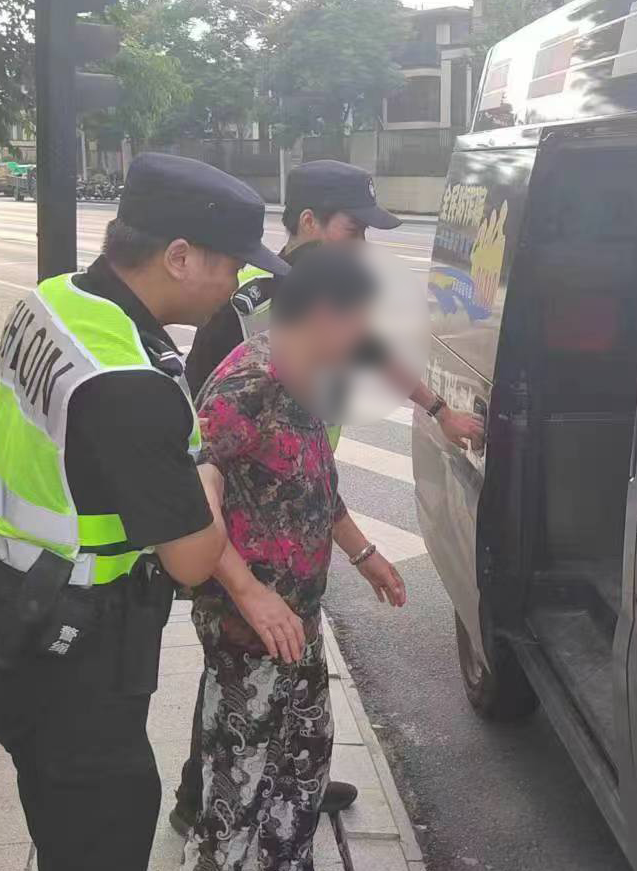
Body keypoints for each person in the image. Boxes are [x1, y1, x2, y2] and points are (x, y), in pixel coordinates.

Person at [0, 153, 289, 871]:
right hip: (74, 651)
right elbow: (192, 559)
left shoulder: (57, 301)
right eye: (230, 263)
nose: (236, 284)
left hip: (4, 611)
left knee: (71, 837)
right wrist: (204, 473)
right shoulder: (130, 382)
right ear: (178, 256)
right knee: (102, 841)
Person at [131, 246, 406, 871]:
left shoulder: (306, 378)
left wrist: (366, 554)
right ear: (323, 315)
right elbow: (187, 500)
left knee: (308, 748)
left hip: (296, 618)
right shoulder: (242, 389)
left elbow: (317, 486)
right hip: (249, 628)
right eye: (359, 322)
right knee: (235, 790)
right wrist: (250, 594)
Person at [171, 159, 481, 835]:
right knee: (238, 670)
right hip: (241, 535)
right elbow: (196, 443)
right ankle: (204, 796)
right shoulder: (245, 305)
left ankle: (290, 779)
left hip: (303, 504)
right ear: (309, 221)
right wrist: (234, 574)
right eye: (353, 229)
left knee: (290, 665)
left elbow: (373, 351)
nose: (361, 245)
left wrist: (439, 411)